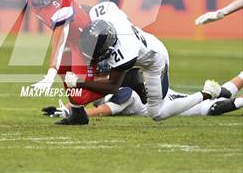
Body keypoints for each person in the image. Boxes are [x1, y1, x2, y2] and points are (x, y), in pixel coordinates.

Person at [65, 1, 221, 121]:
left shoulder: (125, 52)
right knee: (99, 69)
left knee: (157, 113)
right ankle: (134, 81)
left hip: (154, 60)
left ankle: (206, 93)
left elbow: (111, 87)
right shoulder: (104, 13)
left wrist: (80, 83)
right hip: (139, 47)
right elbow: (84, 11)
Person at [43, 72, 243, 118]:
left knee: (213, 104)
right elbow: (92, 96)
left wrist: (70, 113)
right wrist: (66, 108)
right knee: (222, 93)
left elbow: (101, 110)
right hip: (179, 99)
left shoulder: (128, 95)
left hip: (190, 106)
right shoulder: (119, 91)